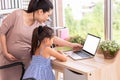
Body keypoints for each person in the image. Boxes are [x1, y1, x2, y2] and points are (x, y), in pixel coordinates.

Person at [0, 0, 82, 80]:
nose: (48, 19)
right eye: (48, 15)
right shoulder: (17, 15)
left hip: (25, 62)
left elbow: (52, 37)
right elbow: (2, 32)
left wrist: (71, 45)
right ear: (40, 12)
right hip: (8, 60)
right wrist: (5, 52)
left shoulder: (39, 25)